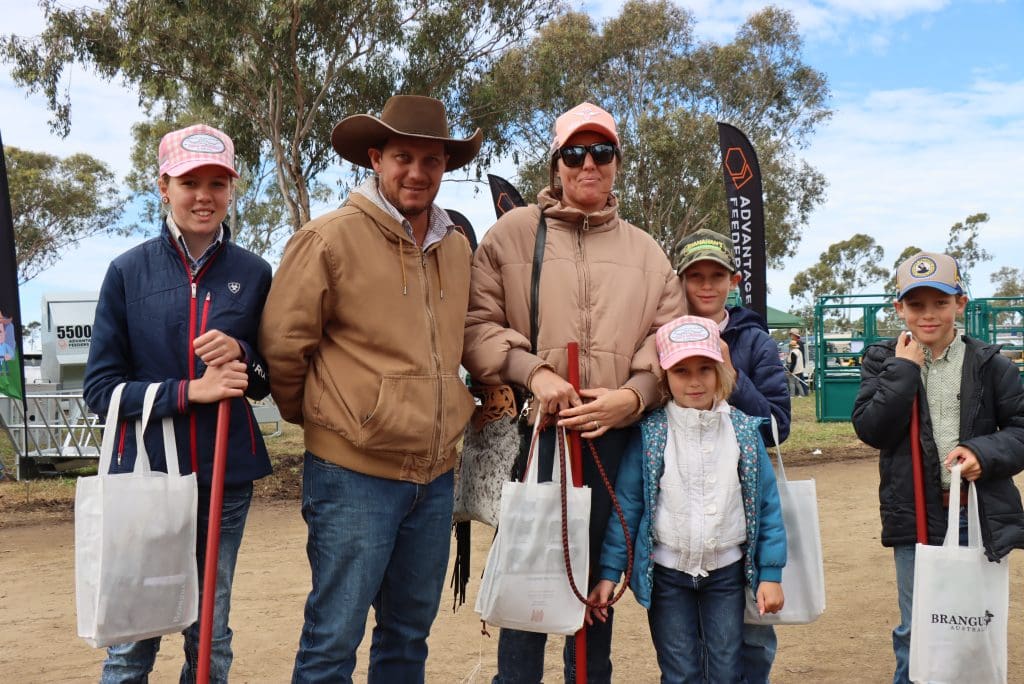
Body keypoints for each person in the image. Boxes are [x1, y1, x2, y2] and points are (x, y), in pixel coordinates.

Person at [258, 95, 480, 683]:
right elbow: (284, 346)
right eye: (403, 157)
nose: (416, 172)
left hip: (433, 479)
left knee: (408, 636)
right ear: (376, 160)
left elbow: (463, 338)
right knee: (334, 637)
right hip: (352, 476)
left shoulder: (456, 245)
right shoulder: (328, 239)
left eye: (430, 161)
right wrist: (330, 420)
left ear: (444, 168)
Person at [463, 101, 685, 683]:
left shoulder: (647, 251)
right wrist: (533, 372)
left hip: (612, 440)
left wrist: (633, 397)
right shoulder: (510, 236)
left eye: (602, 152)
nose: (590, 163)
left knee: (595, 596)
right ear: (557, 163)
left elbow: (670, 342)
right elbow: (475, 325)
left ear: (617, 161)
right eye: (576, 153)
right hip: (537, 441)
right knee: (528, 592)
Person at [83, 123, 274, 683]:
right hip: (144, 478)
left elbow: (265, 379)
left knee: (210, 634)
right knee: (132, 640)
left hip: (225, 479)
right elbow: (101, 392)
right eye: (190, 181)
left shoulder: (254, 273)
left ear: (232, 190)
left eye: (218, 182)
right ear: (163, 185)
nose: (204, 195)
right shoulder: (126, 271)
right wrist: (189, 392)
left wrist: (241, 352)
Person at [851, 251, 1024, 684]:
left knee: (973, 622)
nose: (928, 315)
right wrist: (904, 370)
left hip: (978, 513)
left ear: (960, 303)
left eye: (940, 303)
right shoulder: (882, 360)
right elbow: (873, 429)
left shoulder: (991, 365)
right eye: (916, 305)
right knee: (918, 624)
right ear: (899, 309)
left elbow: (1021, 431)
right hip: (916, 513)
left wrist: (984, 454)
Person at [588, 315, 787, 683]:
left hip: (726, 574)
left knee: (726, 670)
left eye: (704, 369)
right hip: (668, 577)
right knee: (679, 671)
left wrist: (770, 574)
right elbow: (627, 507)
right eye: (681, 371)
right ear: (665, 378)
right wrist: (608, 572)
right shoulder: (651, 434)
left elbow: (767, 506)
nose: (695, 381)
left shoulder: (743, 430)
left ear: (720, 372)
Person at [674, 227, 791, 682]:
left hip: (742, 504)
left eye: (716, 276)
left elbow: (777, 426)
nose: (706, 285)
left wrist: (731, 375)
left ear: (734, 280)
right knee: (688, 635)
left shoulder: (755, 340)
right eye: (696, 276)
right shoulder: (667, 335)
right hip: (683, 508)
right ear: (681, 281)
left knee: (754, 632)